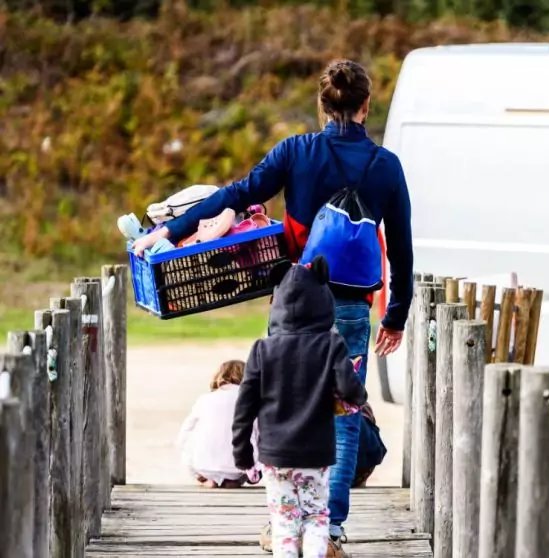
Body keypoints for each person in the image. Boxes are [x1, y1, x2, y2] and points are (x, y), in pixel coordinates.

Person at [132, 58, 413, 552]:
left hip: (292, 302)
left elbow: (236, 195)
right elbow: (404, 246)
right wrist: (396, 314)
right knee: (345, 413)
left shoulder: (297, 152)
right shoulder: (386, 167)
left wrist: (170, 230)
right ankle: (329, 526)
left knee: (282, 404)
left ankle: (284, 519)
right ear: (367, 106)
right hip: (349, 307)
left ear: (323, 105)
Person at [233, 257, 368, 558]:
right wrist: (358, 395)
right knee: (316, 516)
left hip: (274, 455)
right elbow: (349, 388)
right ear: (323, 301)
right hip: (315, 454)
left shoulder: (262, 349)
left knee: (284, 521)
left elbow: (245, 406)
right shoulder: (331, 345)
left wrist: (242, 453)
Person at [176, 359, 254, 488]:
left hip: (204, 465)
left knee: (190, 435)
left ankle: (206, 479)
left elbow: (184, 433)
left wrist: (191, 466)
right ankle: (234, 480)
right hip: (239, 467)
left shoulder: (204, 399)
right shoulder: (250, 401)